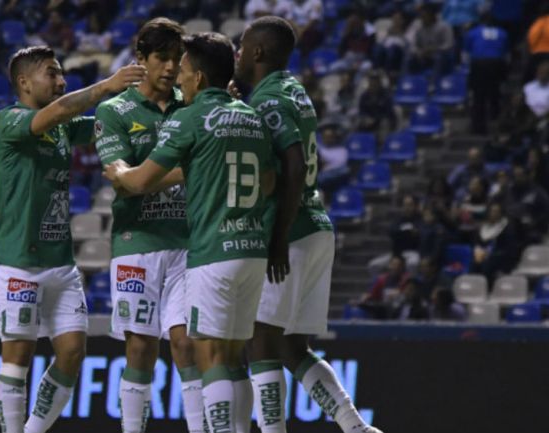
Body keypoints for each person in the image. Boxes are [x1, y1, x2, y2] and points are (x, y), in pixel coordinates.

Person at [105, 32, 275, 433]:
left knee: (210, 355)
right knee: (234, 357)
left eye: (181, 68)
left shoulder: (188, 116)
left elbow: (141, 181)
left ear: (198, 77)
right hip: (252, 248)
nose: (176, 75)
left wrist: (122, 173)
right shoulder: (250, 115)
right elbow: (268, 182)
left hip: (209, 250)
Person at [234, 17, 382, 433]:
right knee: (293, 346)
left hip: (290, 232)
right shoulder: (292, 89)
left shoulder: (268, 101)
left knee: (260, 337)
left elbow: (294, 164)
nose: (238, 54)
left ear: (258, 52)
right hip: (316, 224)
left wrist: (277, 237)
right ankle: (356, 426)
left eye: (242, 46)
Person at [0, 46, 144, 433]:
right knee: (17, 358)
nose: (61, 81)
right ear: (24, 82)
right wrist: (108, 85)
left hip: (60, 262)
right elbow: (58, 111)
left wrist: (148, 99)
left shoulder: (61, 125)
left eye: (62, 75)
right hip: (18, 262)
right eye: (52, 74)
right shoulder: (9, 120)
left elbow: (103, 124)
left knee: (73, 353)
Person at [94, 18, 202, 433]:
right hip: (136, 241)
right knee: (140, 347)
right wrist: (189, 169)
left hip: (187, 242)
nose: (171, 68)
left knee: (186, 345)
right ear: (140, 59)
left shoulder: (191, 104)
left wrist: (142, 176)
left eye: (178, 59)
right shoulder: (114, 110)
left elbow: (133, 178)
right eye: (162, 58)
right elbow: (123, 182)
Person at [464, 13, 509, 134]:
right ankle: (497, 124)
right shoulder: (502, 33)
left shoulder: (473, 32)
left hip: (479, 64)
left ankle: (478, 128)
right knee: (495, 95)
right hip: (496, 64)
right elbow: (505, 52)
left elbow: (466, 52)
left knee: (479, 97)